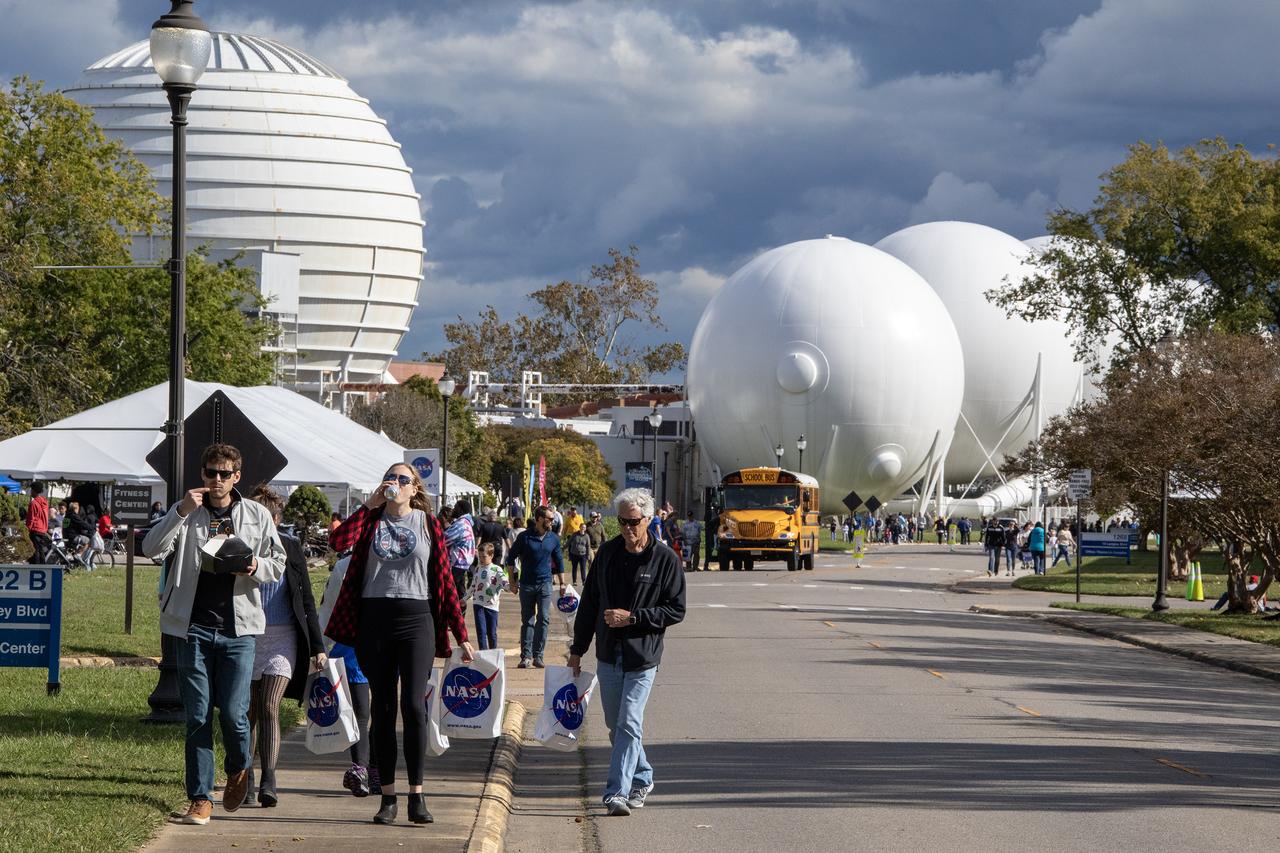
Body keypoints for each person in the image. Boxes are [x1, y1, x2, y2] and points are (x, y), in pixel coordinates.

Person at [142, 443, 287, 826]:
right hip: (193, 628)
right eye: (210, 473)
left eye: (225, 474)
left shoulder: (256, 514)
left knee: (237, 715)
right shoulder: (186, 513)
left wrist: (255, 565)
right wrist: (178, 512)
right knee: (198, 716)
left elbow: (278, 564)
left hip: (239, 630)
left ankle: (238, 768)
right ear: (202, 474)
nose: (217, 480)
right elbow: (151, 548)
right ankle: (201, 798)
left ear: (237, 476)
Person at [323, 462, 473, 826]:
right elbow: (337, 542)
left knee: (414, 706)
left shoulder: (429, 524)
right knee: (384, 708)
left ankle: (417, 796)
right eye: (390, 477)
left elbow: (444, 582)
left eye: (403, 479)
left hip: (417, 619)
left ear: (415, 489)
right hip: (374, 621)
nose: (395, 483)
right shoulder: (371, 521)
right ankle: (387, 796)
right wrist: (368, 505)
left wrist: (460, 633)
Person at [569, 487, 686, 817]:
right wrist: (578, 650)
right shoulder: (606, 554)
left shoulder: (665, 559)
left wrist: (634, 618)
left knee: (629, 723)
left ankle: (614, 793)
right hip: (609, 653)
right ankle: (643, 776)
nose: (627, 528)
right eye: (621, 521)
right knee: (615, 725)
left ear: (648, 519)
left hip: (642, 656)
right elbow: (589, 604)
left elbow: (676, 610)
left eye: (633, 521)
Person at [241, 486, 326, 808]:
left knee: (269, 706)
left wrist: (317, 647)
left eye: (270, 518)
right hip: (247, 636)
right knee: (247, 712)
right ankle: (246, 778)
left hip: (283, 638)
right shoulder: (238, 547)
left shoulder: (290, 546)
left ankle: (269, 779)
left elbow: (305, 598)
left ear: (276, 519)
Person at [504, 505, 565, 669]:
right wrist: (512, 581)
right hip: (526, 585)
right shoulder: (524, 537)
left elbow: (559, 561)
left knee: (544, 619)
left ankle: (539, 656)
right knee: (528, 620)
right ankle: (526, 657)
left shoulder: (553, 538)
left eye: (553, 519)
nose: (552, 521)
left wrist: (562, 582)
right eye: (549, 519)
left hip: (545, 584)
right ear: (539, 519)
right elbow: (511, 558)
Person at [469, 542, 508, 650]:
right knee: (481, 632)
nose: (481, 559)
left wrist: (512, 588)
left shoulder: (497, 569)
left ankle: (493, 655)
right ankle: (484, 656)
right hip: (478, 604)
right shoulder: (477, 569)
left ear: (491, 555)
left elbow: (505, 583)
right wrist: (464, 599)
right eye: (479, 557)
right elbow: (473, 586)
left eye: (484, 557)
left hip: (492, 606)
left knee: (492, 634)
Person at [444, 499, 477, 601]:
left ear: (461, 510)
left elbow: (444, 539)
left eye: (455, 507)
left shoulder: (461, 524)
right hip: (461, 563)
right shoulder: (465, 522)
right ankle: (460, 614)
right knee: (459, 593)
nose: (453, 509)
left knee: (450, 593)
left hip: (457, 562)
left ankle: (453, 614)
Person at [25, 482, 51, 564]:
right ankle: (42, 567)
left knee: (35, 551)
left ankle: (35, 569)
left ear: (34, 490)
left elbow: (30, 519)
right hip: (43, 529)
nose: (30, 492)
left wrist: (26, 530)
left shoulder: (33, 503)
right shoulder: (45, 502)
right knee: (41, 550)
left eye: (31, 490)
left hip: (35, 529)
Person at [65, 499, 94, 568]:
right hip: (72, 536)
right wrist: (91, 528)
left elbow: (73, 525)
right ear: (75, 509)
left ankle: (77, 562)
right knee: (88, 541)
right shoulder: (73, 516)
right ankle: (79, 555)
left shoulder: (67, 516)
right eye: (78, 508)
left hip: (66, 536)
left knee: (81, 540)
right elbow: (82, 523)